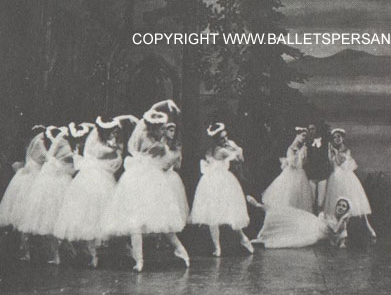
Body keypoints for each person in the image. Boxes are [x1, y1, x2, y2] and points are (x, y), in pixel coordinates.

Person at [102, 101, 189, 272]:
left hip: (150, 180)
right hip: (136, 179)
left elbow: (166, 163)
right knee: (135, 220)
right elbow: (151, 111)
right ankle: (139, 259)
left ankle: (180, 250)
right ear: (153, 128)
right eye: (160, 128)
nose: (162, 130)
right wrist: (166, 103)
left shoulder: (159, 145)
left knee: (161, 219)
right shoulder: (144, 135)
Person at [53, 119, 128, 267]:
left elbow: (115, 161)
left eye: (115, 133)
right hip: (90, 180)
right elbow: (99, 152)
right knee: (88, 216)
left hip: (104, 179)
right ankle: (92, 254)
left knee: (105, 215)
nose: (114, 135)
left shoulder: (110, 144)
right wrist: (113, 148)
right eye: (112, 132)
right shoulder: (95, 144)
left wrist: (115, 148)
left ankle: (108, 252)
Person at [188, 122, 253, 256]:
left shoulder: (210, 150)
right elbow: (240, 159)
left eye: (226, 137)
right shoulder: (222, 151)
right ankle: (236, 241)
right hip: (218, 183)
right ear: (216, 139)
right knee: (220, 214)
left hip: (213, 183)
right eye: (222, 138)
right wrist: (237, 148)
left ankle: (225, 245)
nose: (225, 140)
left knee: (219, 214)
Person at [17, 126, 76, 265]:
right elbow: (48, 157)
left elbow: (51, 158)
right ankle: (54, 253)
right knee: (50, 221)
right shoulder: (46, 144)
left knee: (52, 221)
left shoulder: (59, 145)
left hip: (53, 181)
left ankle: (59, 253)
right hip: (49, 181)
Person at [0, 125, 49, 261]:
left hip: (29, 179)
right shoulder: (39, 143)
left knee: (26, 216)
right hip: (34, 181)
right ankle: (29, 251)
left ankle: (27, 251)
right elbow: (48, 158)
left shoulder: (30, 147)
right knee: (32, 215)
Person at [323, 128, 376, 240]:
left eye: (339, 136)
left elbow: (339, 162)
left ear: (343, 138)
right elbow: (332, 165)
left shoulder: (346, 150)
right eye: (334, 137)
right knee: (335, 205)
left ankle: (369, 228)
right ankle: (339, 232)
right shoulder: (332, 150)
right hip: (335, 178)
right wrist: (329, 152)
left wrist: (335, 152)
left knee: (356, 204)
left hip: (347, 178)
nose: (337, 139)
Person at [248, 195, 352, 249]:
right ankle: (260, 206)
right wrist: (342, 219)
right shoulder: (329, 215)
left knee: (288, 236)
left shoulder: (342, 223)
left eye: (344, 206)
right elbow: (334, 230)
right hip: (311, 223)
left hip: (312, 234)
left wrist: (341, 242)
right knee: (286, 216)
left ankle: (262, 240)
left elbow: (339, 235)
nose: (340, 207)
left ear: (346, 210)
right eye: (339, 205)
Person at [261, 127, 314, 212]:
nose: (304, 138)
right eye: (302, 135)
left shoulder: (303, 149)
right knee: (288, 195)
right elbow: (293, 164)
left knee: (300, 198)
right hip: (291, 173)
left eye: (305, 136)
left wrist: (303, 154)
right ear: (297, 135)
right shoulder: (291, 148)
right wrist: (299, 154)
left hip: (300, 174)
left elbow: (304, 164)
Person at [303, 123, 331, 213]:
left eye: (313, 129)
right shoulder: (307, 144)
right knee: (311, 200)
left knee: (320, 202)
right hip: (311, 175)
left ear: (318, 129)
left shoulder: (326, 143)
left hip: (322, 175)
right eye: (309, 129)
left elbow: (328, 159)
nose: (310, 131)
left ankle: (320, 218)